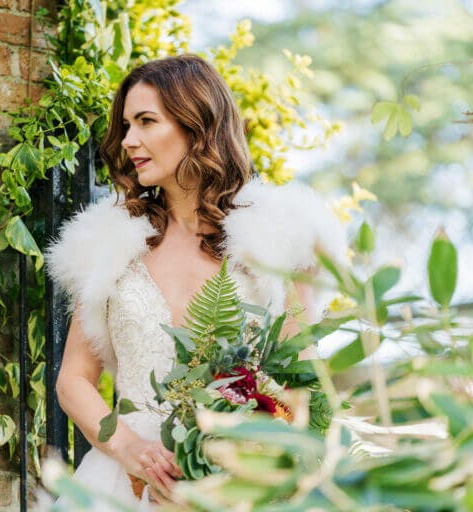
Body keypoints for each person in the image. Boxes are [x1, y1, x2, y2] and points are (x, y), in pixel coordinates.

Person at [45, 54, 345, 510]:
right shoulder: (106, 246)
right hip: (119, 488)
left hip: (238, 489)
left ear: (197, 124)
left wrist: (238, 461)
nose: (129, 140)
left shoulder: (276, 242)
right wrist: (133, 452)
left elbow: (298, 384)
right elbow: (73, 381)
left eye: (146, 121)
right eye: (126, 125)